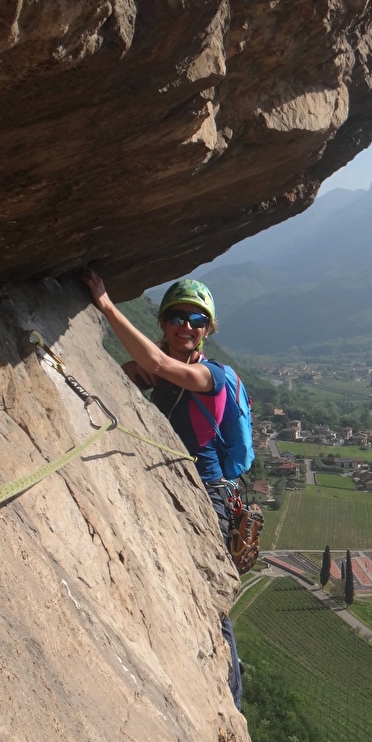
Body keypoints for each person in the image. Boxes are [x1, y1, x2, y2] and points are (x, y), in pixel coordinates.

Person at [79, 268, 243, 709]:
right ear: (164, 323)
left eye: (196, 319)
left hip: (207, 493)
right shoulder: (166, 374)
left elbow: (158, 363)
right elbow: (126, 376)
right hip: (172, 478)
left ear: (207, 328)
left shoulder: (214, 377)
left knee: (209, 593)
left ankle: (229, 696)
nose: (186, 326)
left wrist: (107, 305)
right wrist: (130, 372)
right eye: (177, 317)